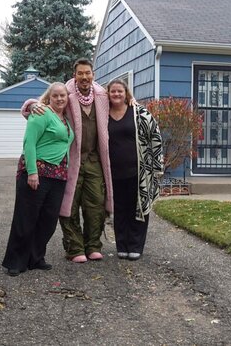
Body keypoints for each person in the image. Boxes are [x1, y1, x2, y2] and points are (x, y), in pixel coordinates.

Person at [21, 59, 113, 263]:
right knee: (69, 204)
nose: (84, 77)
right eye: (80, 73)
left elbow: (120, 103)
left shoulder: (101, 95)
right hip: (71, 159)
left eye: (87, 73)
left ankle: (93, 245)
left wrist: (132, 101)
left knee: (96, 203)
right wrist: (32, 104)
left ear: (93, 74)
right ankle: (74, 247)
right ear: (74, 75)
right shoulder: (67, 93)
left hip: (94, 159)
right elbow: (45, 101)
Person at [2, 82, 74, 277]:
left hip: (58, 176)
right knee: (25, 218)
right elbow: (29, 143)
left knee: (48, 221)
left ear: (67, 98)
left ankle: (35, 258)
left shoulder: (66, 120)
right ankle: (15, 262)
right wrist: (32, 172)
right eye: (55, 95)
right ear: (49, 98)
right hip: (37, 173)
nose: (59, 98)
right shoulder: (41, 113)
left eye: (63, 95)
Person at [106, 79, 163, 260]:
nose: (116, 94)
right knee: (119, 210)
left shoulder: (139, 112)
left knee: (138, 209)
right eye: (113, 91)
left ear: (126, 93)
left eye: (120, 91)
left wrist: (157, 165)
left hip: (138, 172)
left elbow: (155, 136)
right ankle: (122, 245)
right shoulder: (102, 114)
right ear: (108, 94)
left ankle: (136, 246)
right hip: (113, 173)